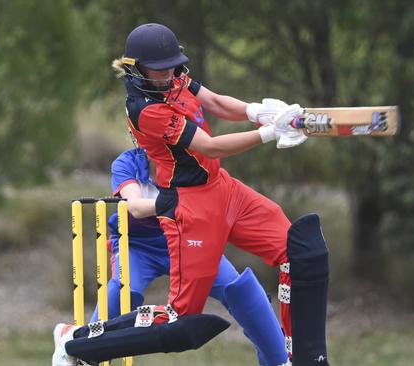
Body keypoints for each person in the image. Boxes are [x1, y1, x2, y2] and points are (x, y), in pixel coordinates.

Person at [53, 23, 330, 366]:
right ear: (136, 67)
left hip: (224, 189)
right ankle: (74, 343)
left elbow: (213, 101)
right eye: (160, 66)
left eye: (173, 63)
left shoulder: (175, 78)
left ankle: (294, 359)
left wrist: (256, 111)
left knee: (297, 251)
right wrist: (269, 133)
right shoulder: (147, 111)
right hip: (192, 208)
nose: (170, 72)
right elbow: (210, 147)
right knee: (179, 324)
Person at [83, 146, 289, 365]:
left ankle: (280, 360)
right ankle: (80, 350)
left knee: (237, 288)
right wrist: (186, 204)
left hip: (189, 239)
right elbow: (135, 207)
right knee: (126, 290)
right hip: (137, 245)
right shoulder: (127, 163)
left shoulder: (194, 163)